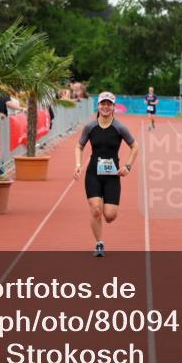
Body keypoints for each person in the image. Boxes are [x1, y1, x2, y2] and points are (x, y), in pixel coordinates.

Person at [73, 92, 139, 258]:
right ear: (98, 105)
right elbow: (79, 146)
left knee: (109, 216)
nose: (105, 107)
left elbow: (135, 146)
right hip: (93, 174)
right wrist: (78, 165)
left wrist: (128, 166)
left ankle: (103, 205)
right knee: (96, 210)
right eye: (103, 103)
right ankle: (99, 243)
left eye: (109, 104)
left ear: (113, 107)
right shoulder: (90, 127)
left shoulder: (120, 127)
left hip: (112, 176)